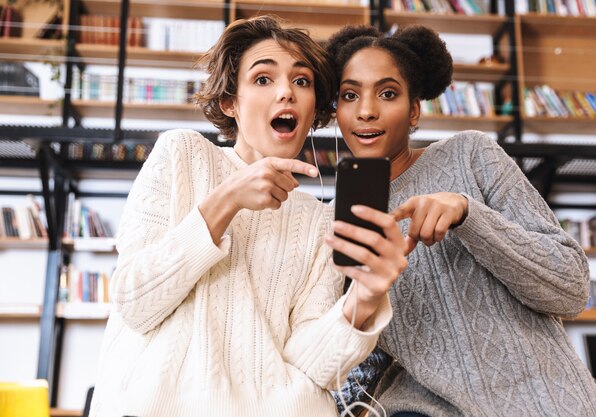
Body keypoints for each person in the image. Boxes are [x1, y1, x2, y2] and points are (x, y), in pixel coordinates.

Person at [88, 16, 408, 417]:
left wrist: (366, 297)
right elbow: (134, 302)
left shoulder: (320, 220)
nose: (286, 93)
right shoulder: (181, 154)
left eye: (302, 82)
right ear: (230, 103)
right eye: (263, 79)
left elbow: (314, 367)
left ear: (313, 112)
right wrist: (227, 200)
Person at [326, 24, 596, 417]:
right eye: (349, 95)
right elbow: (358, 346)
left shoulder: (471, 155)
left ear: (414, 110)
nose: (366, 110)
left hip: (543, 403)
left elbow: (572, 290)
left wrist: (468, 214)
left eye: (387, 93)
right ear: (335, 110)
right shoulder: (334, 220)